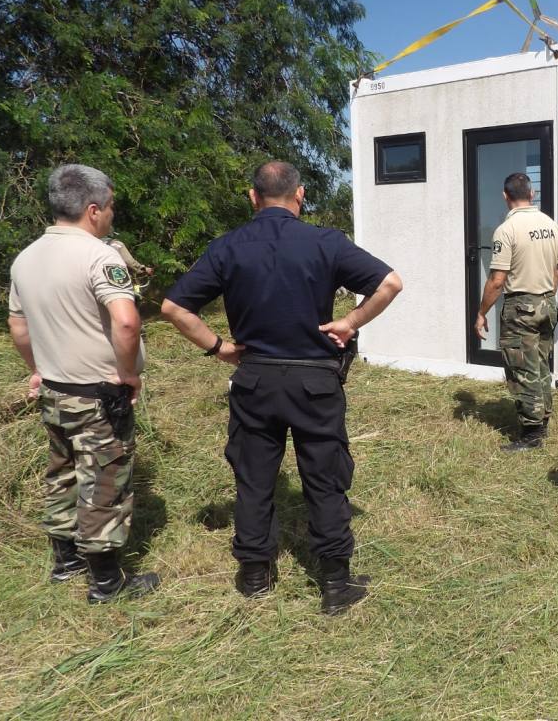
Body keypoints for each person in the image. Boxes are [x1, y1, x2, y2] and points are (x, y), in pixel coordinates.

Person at [161, 161, 401, 614]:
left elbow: (174, 308)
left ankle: (255, 576)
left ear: (253, 197)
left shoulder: (228, 247)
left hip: (255, 380)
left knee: (254, 478)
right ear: (300, 195)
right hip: (315, 382)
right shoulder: (326, 242)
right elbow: (390, 283)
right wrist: (349, 322)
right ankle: (335, 585)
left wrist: (219, 348)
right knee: (325, 479)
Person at [8, 163, 160, 603]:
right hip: (98, 394)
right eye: (110, 206)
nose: (112, 214)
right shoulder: (99, 256)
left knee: (63, 473)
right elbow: (126, 321)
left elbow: (18, 325)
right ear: (93, 210)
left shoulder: (26, 258)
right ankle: (107, 583)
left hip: (54, 390)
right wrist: (128, 373)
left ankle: (66, 562)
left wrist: (37, 367)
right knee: (104, 482)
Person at [475, 172, 558, 452]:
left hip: (521, 307)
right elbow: (556, 272)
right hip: (547, 303)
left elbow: (497, 280)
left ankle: (531, 433)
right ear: (532, 193)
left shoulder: (507, 230)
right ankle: (542, 421)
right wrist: (547, 298)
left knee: (522, 368)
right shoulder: (551, 225)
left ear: (505, 196)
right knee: (540, 365)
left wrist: (481, 312)